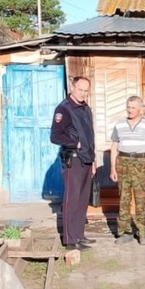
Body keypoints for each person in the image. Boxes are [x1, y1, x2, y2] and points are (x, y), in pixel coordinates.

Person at [50, 76, 97, 251]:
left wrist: (93, 159)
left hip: (87, 159)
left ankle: (79, 235)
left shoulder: (85, 108)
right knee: (72, 200)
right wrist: (74, 143)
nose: (83, 93)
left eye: (86, 91)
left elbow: (90, 136)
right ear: (72, 87)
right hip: (74, 160)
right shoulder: (64, 109)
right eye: (80, 89)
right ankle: (70, 240)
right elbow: (55, 136)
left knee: (83, 200)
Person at [109, 95, 145, 245]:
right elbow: (114, 147)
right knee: (123, 199)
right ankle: (125, 232)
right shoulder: (119, 125)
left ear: (140, 109)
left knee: (141, 200)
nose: (129, 110)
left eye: (133, 108)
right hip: (123, 163)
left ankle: (143, 233)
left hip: (141, 164)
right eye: (128, 107)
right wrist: (113, 168)